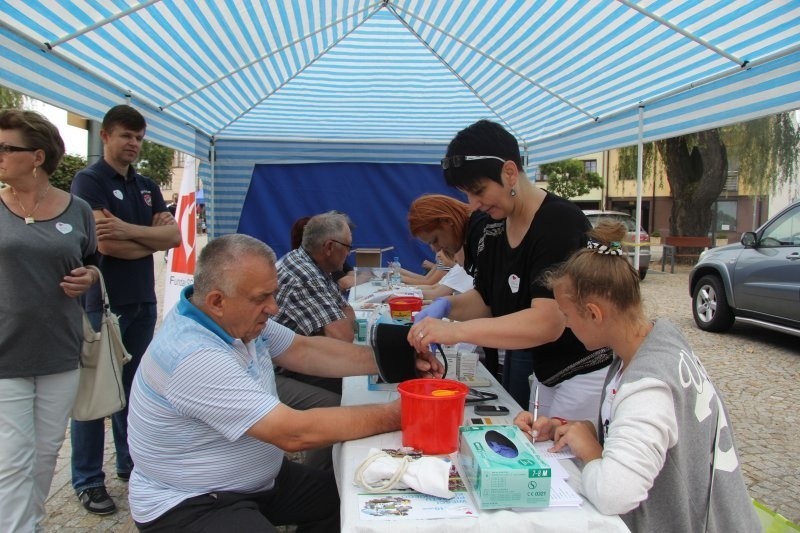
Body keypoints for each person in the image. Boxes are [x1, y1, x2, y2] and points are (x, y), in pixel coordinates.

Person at [126, 233, 443, 531]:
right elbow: (294, 433)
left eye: (273, 294)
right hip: (190, 502)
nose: (274, 308)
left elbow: (304, 350)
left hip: (258, 482)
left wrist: (400, 360)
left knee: (347, 501)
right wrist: (402, 413)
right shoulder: (193, 356)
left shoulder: (235, 321)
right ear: (216, 301)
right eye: (262, 297)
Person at [515, 221, 760, 532]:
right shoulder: (655, 340)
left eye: (567, 315)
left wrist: (589, 449)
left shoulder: (648, 386)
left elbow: (613, 494)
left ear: (594, 313)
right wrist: (573, 430)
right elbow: (644, 436)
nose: (565, 326)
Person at [408, 120, 612, 418]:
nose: (473, 204)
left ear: (510, 172)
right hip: (546, 374)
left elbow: (548, 322)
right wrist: (445, 305)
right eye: (467, 194)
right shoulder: (493, 230)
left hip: (582, 374)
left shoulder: (559, 223)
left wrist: (457, 332)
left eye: (478, 190)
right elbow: (486, 301)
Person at [70, 104, 181, 515]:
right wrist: (150, 238)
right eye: (126, 136)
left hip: (141, 300)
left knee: (134, 390)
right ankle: (86, 478)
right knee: (96, 393)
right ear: (106, 136)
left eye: (138, 137)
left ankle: (129, 462)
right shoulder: (89, 180)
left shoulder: (148, 184)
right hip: (101, 304)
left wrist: (132, 231)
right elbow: (104, 244)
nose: (133, 144)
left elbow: (173, 238)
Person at [0, 110, 98, 532]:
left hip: (60, 352)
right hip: (5, 355)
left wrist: (90, 276)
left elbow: (93, 263)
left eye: (7, 147)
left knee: (43, 457)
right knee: (12, 460)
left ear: (37, 156)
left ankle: (29, 523)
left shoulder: (77, 210)